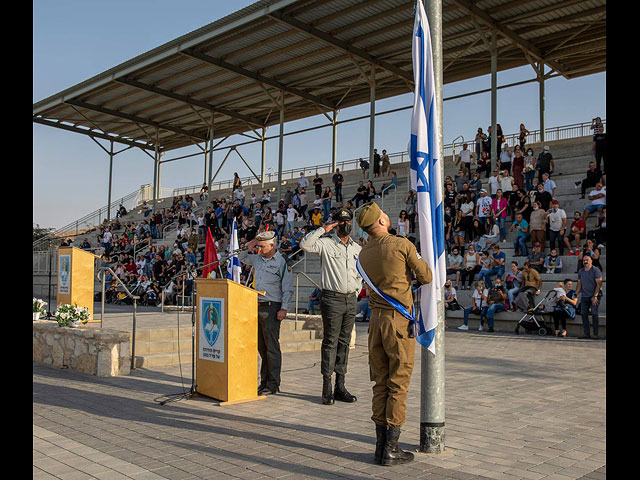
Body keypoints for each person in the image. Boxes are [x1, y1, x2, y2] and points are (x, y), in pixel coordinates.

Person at [355, 202, 432, 466]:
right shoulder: (401, 245)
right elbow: (427, 276)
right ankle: (391, 448)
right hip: (397, 323)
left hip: (374, 323)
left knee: (380, 383)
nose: (386, 216)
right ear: (379, 222)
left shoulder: (363, 254)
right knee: (398, 383)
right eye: (383, 214)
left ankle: (379, 446)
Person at [300, 208, 362, 405]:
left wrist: (357, 288)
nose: (346, 225)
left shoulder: (356, 248)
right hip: (332, 299)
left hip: (350, 299)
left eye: (348, 222)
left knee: (344, 343)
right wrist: (323, 229)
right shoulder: (325, 244)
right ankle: (327, 387)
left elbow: (360, 272)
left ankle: (340, 386)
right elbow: (305, 244)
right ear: (335, 225)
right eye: (341, 222)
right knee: (330, 342)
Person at [241, 231, 294, 395]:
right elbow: (242, 258)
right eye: (258, 246)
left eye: (262, 246)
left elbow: (287, 288)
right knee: (262, 348)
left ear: (272, 245)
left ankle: (273, 384)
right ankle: (263, 381)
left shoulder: (282, 262)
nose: (259, 249)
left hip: (272, 307)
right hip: (256, 306)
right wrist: (247, 245)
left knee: (272, 348)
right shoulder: (257, 258)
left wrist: (284, 308)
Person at [575, 255, 603, 339]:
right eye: (584, 260)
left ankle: (595, 334)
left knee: (594, 314)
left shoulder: (596, 270)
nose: (585, 261)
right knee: (583, 314)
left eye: (587, 260)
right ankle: (586, 333)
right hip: (584, 295)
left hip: (595, 295)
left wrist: (595, 296)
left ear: (591, 261)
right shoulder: (581, 271)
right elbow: (579, 284)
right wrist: (576, 293)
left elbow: (599, 284)